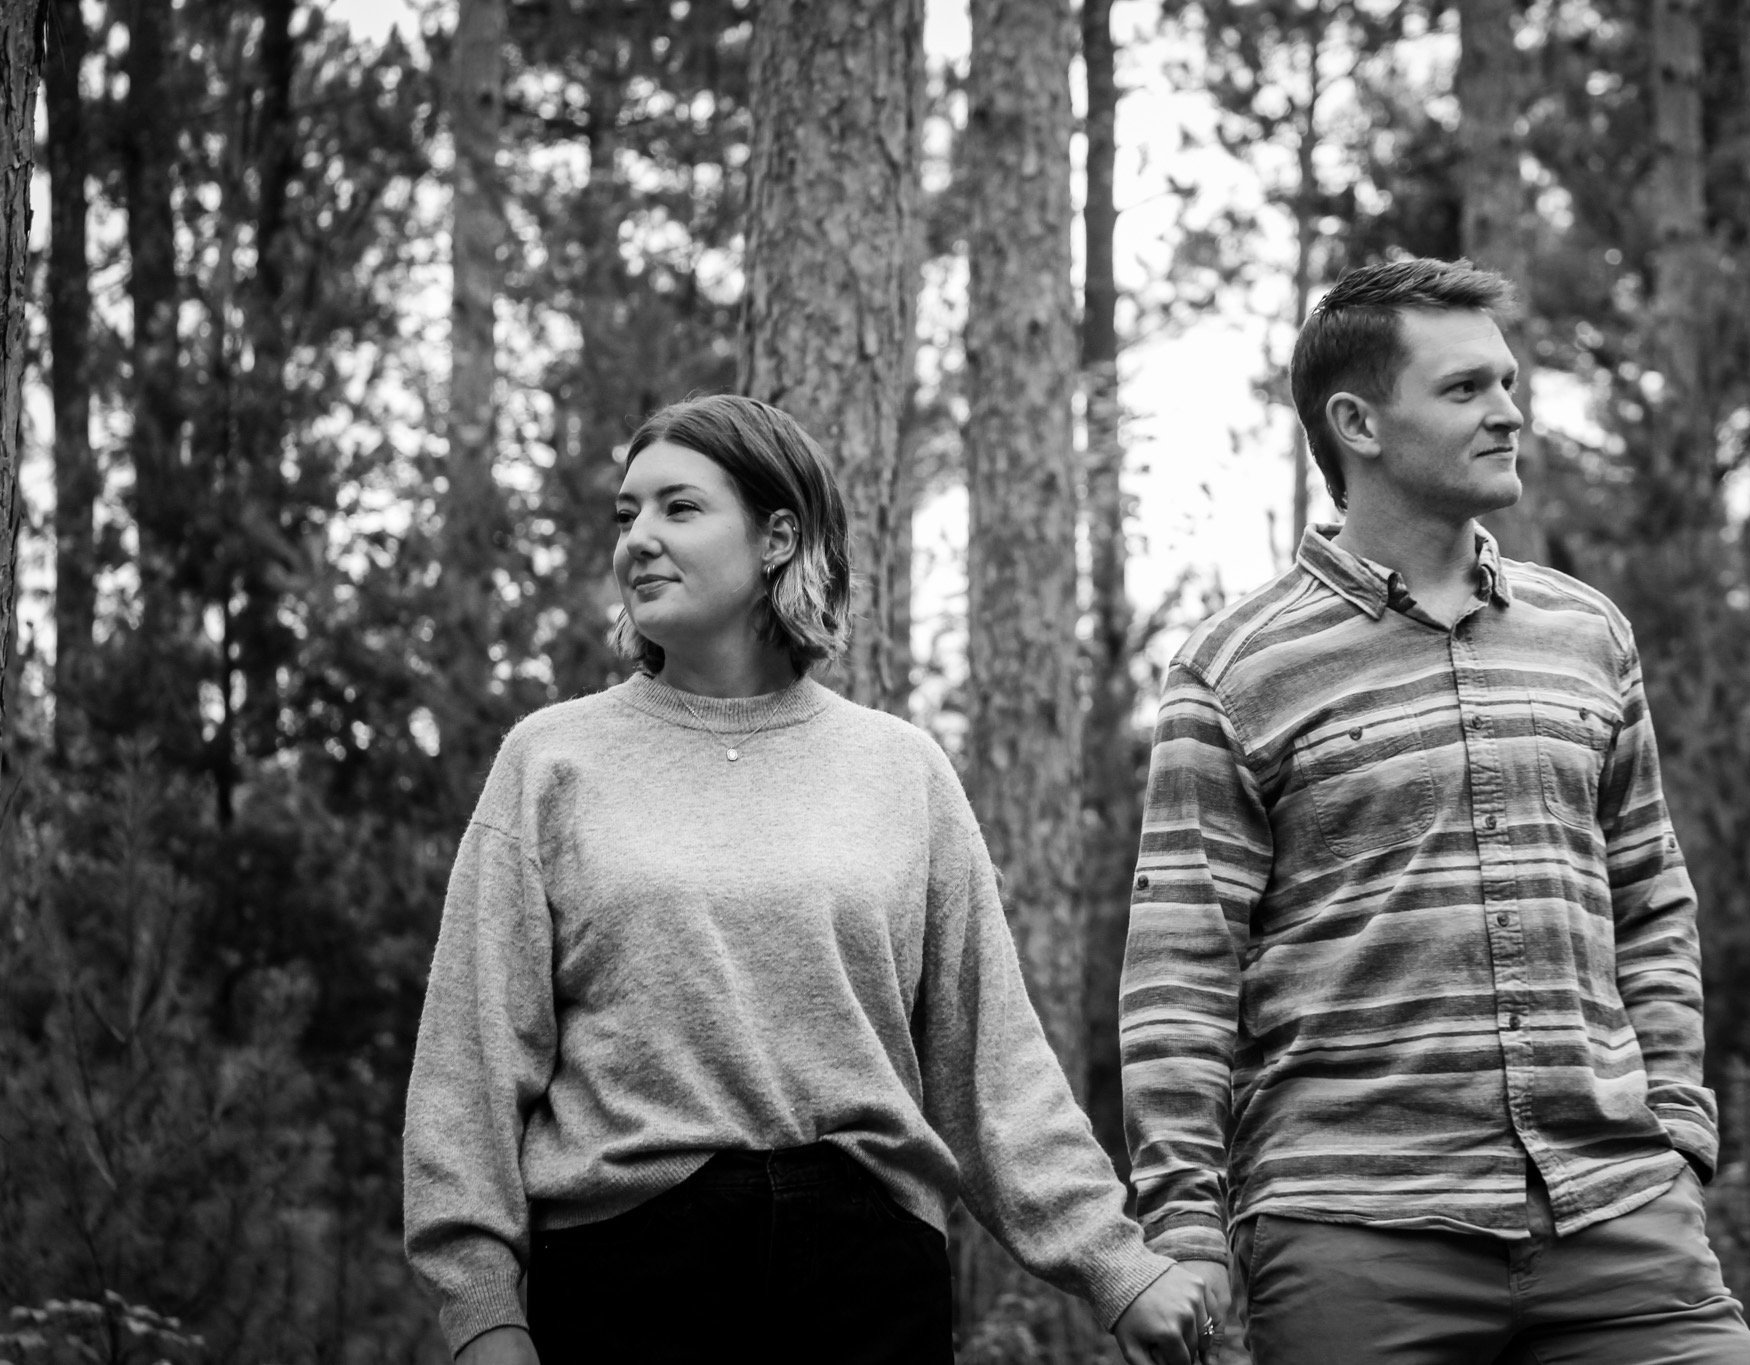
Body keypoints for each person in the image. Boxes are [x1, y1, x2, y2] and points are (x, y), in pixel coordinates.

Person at [404, 394, 1212, 1365]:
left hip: (867, 1286)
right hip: (627, 1284)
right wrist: (483, 1320)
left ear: (778, 536)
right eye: (627, 515)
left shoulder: (899, 770)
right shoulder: (550, 762)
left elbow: (991, 1067)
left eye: (678, 508)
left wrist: (1117, 1269)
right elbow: (470, 1067)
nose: (638, 541)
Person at [1118, 258, 1750, 1364]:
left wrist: (1673, 1132)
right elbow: (1183, 968)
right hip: (1352, 1236)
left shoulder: (1587, 635)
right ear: (1356, 422)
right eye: (1466, 388)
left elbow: (1649, 899)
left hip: (1614, 1218)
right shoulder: (1232, 669)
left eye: (1508, 382)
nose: (1510, 410)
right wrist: (1183, 1219)